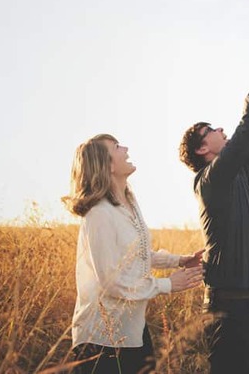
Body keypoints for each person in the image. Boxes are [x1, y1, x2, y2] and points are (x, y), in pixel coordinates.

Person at [178, 21, 249, 373]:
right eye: (211, 130)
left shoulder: (236, 174)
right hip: (226, 313)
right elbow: (248, 124)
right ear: (202, 149)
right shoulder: (210, 180)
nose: (221, 130)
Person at [62, 133, 204, 374]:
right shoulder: (99, 215)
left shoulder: (129, 202)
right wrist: (167, 284)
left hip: (132, 332)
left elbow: (135, 254)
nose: (126, 148)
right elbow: (112, 283)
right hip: (101, 340)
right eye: (117, 147)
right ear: (106, 165)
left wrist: (179, 260)